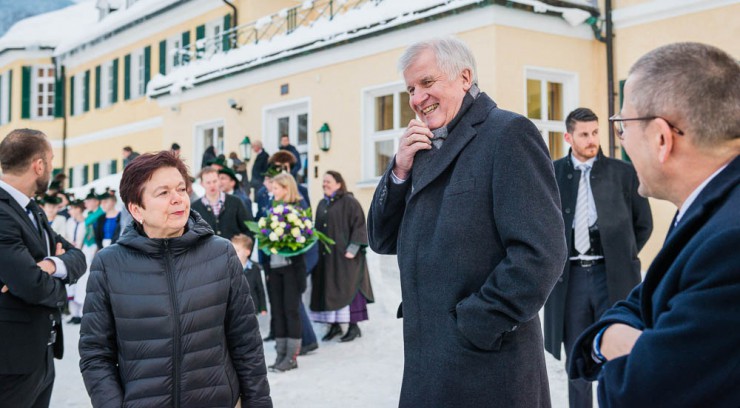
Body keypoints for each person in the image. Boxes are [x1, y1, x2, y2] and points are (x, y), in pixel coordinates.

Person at [367, 37, 566, 407]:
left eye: (427, 83)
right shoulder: (423, 147)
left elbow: (541, 253)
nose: (417, 97)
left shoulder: (508, 134)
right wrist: (399, 170)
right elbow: (381, 239)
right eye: (410, 88)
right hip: (429, 362)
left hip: (489, 364)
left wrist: (477, 322)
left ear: (464, 77)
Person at [568, 42, 740, 407]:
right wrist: (612, 339)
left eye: (622, 126)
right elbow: (644, 301)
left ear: (661, 138)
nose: (620, 140)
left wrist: (623, 343)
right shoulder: (712, 203)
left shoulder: (730, 240)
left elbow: (641, 392)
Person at [79, 150, 272, 407]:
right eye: (163, 193)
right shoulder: (109, 264)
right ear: (137, 209)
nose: (178, 199)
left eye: (181, 189)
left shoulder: (220, 253)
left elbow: (247, 343)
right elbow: (95, 354)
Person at [543, 108, 653, 408]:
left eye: (595, 133)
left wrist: (622, 257)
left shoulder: (623, 173)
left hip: (612, 276)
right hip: (571, 279)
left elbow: (643, 226)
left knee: (617, 350)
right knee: (578, 357)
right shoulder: (552, 174)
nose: (591, 140)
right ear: (568, 137)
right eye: (584, 134)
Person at [0, 129, 86, 408]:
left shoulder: (32, 208)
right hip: (11, 359)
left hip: (42, 352)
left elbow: (77, 256)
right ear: (39, 165)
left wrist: (49, 264)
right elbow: (30, 284)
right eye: (50, 160)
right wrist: (54, 284)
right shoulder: (2, 212)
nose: (51, 168)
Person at [310, 171, 374, 342]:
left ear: (339, 184)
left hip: (346, 258)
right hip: (327, 258)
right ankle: (334, 326)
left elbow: (360, 225)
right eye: (323, 181)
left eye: (328, 181)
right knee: (329, 291)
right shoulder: (322, 204)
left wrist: (352, 249)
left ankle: (354, 327)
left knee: (349, 288)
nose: (325, 184)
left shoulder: (349, 202)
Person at [191, 166, 254, 241]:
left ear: (219, 181)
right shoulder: (195, 207)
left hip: (234, 251)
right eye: (208, 182)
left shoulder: (236, 202)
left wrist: (245, 250)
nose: (212, 185)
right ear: (202, 184)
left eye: (214, 181)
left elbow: (249, 228)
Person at [232, 234, 268, 315]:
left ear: (247, 252)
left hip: (252, 308)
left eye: (237, 250)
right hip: (235, 309)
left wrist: (263, 307)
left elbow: (260, 289)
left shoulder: (255, 269)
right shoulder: (230, 269)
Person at [65, 198, 87, 324]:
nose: (70, 211)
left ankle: (81, 313)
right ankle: (74, 313)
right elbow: (66, 236)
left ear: (78, 209)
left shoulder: (86, 222)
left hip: (82, 254)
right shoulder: (70, 222)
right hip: (71, 253)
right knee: (71, 285)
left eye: (72, 208)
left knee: (81, 285)